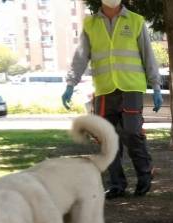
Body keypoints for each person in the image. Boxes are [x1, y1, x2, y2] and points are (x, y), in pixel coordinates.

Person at [62, 0, 163, 199]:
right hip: (104, 89)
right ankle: (117, 184)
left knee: (132, 132)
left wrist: (156, 85)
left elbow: (148, 54)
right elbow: (81, 56)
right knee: (106, 138)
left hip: (130, 87)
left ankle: (145, 175)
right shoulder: (90, 23)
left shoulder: (135, 21)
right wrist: (70, 84)